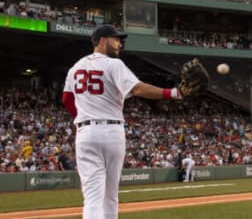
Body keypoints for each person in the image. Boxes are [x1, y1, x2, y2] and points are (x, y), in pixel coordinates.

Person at [62, 24, 183, 219]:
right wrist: (174, 93)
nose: (119, 43)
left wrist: (84, 115)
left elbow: (67, 99)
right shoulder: (114, 65)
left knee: (92, 197)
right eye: (116, 39)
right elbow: (138, 89)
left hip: (85, 132)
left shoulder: (75, 68)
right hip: (112, 131)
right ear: (102, 41)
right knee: (110, 195)